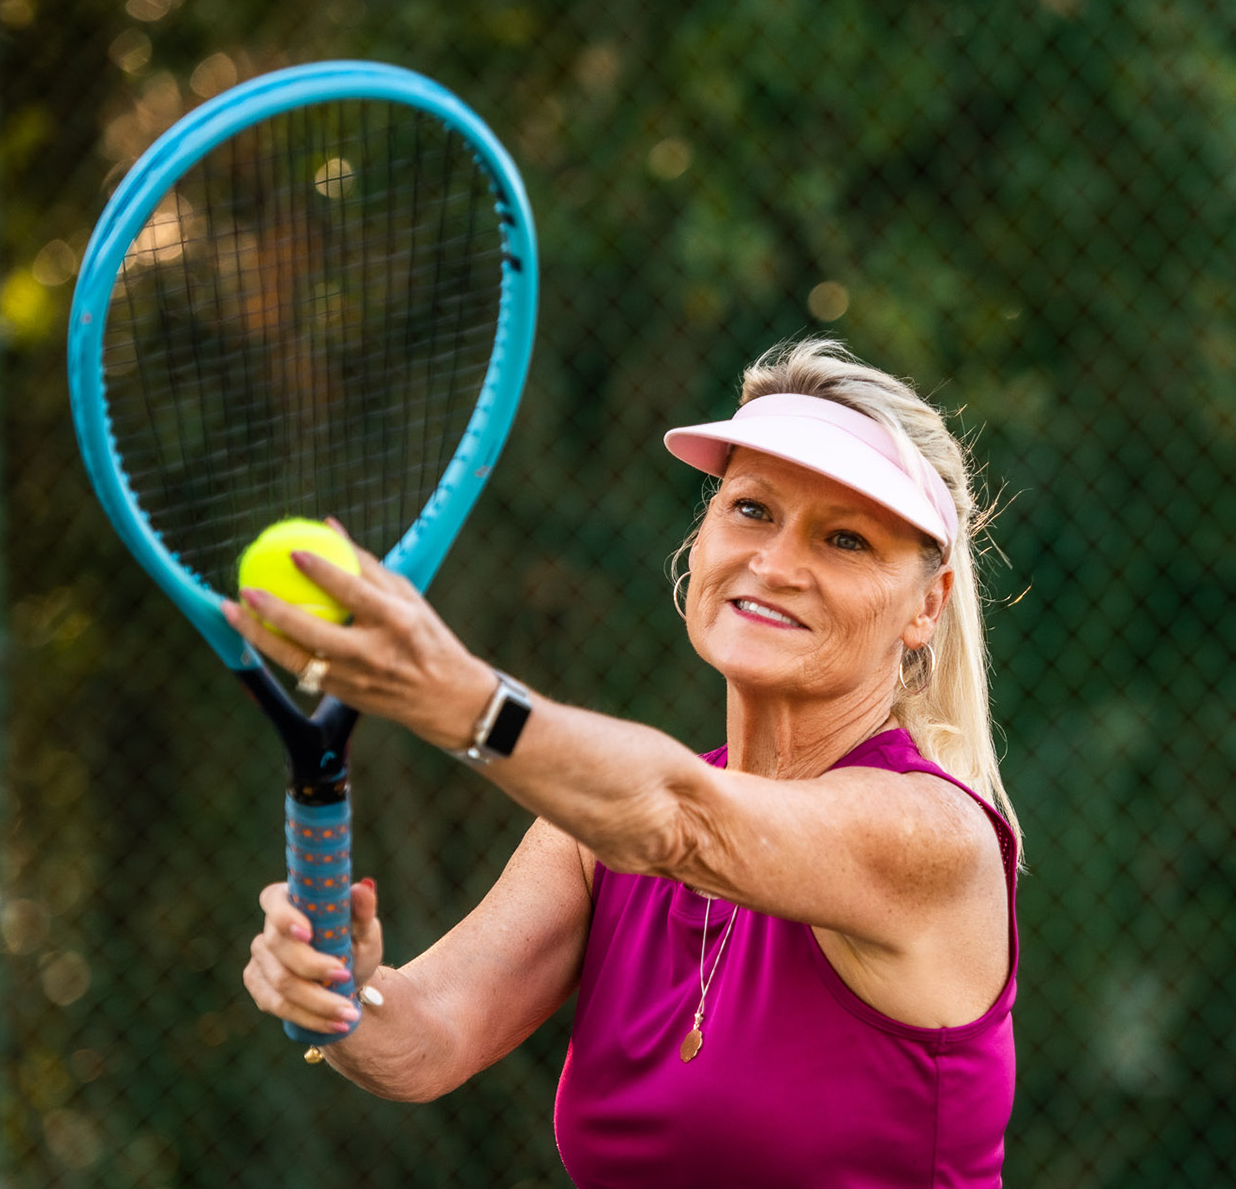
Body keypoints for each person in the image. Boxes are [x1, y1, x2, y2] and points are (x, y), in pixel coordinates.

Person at [227, 338, 1022, 1186]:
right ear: (703, 536)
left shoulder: (935, 840)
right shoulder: (593, 833)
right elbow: (428, 1039)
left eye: (845, 539)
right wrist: (342, 993)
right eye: (752, 509)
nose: (775, 563)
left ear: (926, 605)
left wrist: (461, 699)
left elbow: (681, 821)